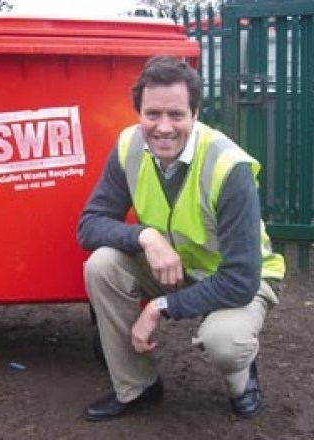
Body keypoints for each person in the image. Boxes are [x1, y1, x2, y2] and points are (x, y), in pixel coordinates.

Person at [77, 55, 285, 421]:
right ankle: (137, 386)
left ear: (196, 113)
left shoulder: (228, 166)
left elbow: (240, 279)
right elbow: (90, 225)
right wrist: (146, 236)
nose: (164, 127)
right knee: (102, 265)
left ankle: (242, 379)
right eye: (152, 114)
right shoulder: (128, 147)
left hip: (241, 279)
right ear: (138, 113)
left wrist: (159, 307)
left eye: (176, 115)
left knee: (225, 342)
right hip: (172, 267)